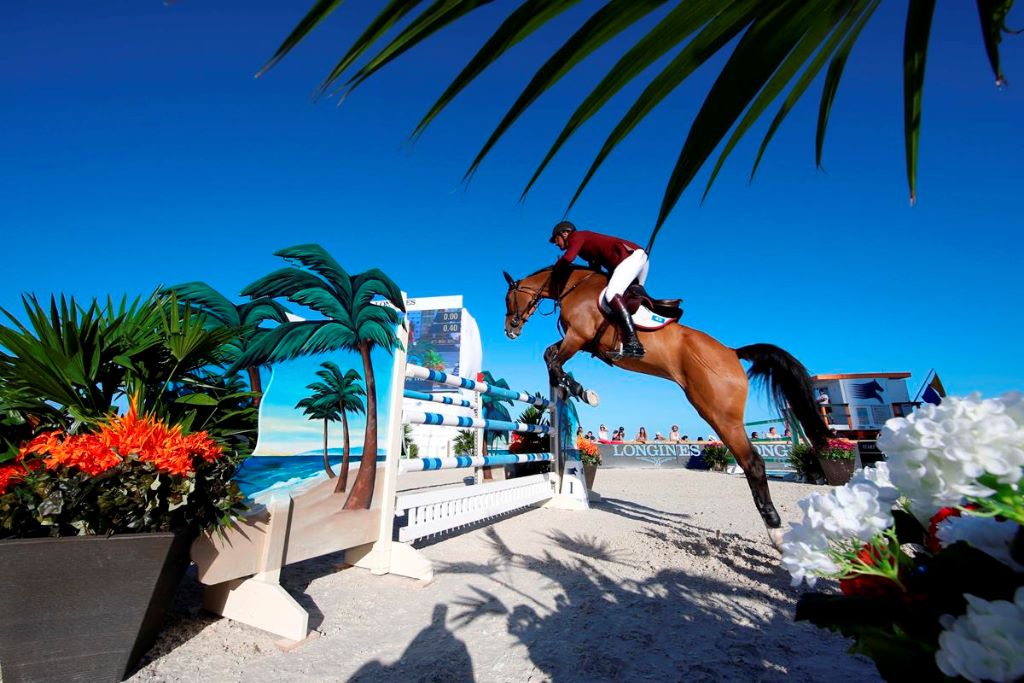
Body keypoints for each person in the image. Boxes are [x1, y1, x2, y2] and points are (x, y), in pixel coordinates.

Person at [550, 221, 653, 358]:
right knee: (627, 300)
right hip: (639, 259)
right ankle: (623, 340)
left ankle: (633, 343)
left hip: (630, 257)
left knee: (611, 295)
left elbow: (568, 257)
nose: (556, 243)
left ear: (565, 233)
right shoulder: (585, 249)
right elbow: (596, 271)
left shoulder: (576, 236)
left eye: (556, 239)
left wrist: (555, 270)